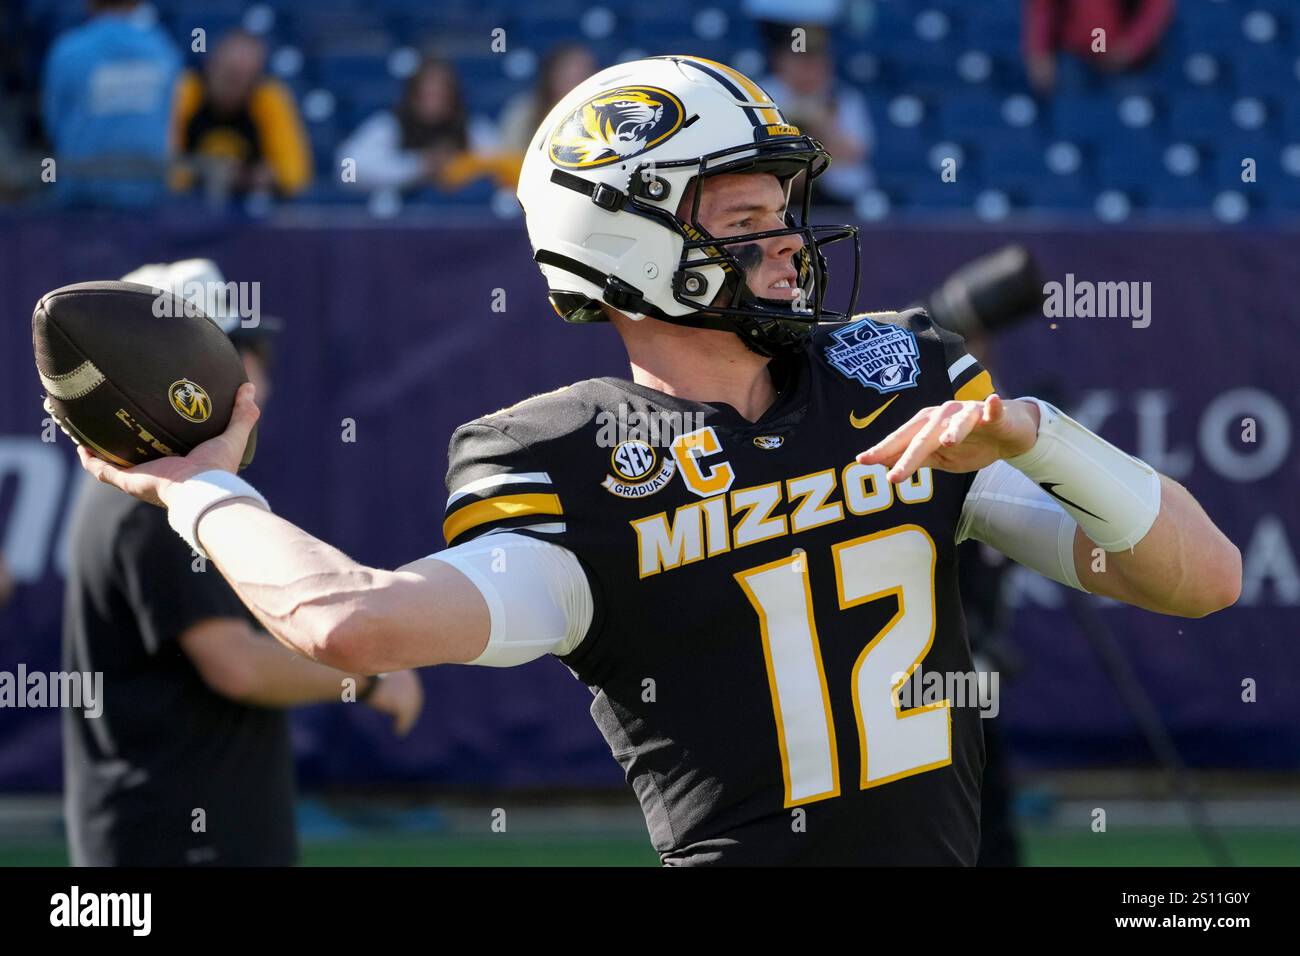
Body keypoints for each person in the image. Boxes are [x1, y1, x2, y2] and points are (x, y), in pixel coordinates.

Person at [78, 57, 1241, 866]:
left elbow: (1202, 577)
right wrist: (196, 489)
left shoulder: (898, 383)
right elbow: (350, 625)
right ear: (628, 239)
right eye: (742, 217)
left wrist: (1042, 434)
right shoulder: (570, 461)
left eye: (784, 205)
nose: (787, 239)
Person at [63, 259, 423, 866]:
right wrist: (368, 678)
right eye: (238, 352)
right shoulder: (152, 507)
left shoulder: (147, 491)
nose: (257, 379)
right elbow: (234, 665)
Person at [41, 0, 181, 207]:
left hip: (83, 199)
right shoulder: (163, 49)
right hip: (144, 200)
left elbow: (53, 123)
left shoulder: (68, 50)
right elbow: (169, 123)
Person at [337, 55, 512, 192]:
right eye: (427, 94)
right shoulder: (389, 126)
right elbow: (348, 169)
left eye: (441, 94)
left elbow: (503, 166)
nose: (434, 102)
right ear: (413, 96)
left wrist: (457, 167)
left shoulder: (472, 128)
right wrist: (420, 165)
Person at [172, 29, 312, 199]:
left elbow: (294, 176)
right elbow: (166, 169)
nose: (233, 85)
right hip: (186, 209)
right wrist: (208, 172)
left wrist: (254, 178)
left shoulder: (267, 98)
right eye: (229, 74)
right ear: (210, 64)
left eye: (244, 78)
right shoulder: (186, 91)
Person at [757, 23, 873, 204]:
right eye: (799, 62)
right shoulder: (762, 94)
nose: (807, 70)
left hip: (836, 198)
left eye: (813, 62)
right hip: (776, 192)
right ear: (780, 61)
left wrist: (821, 124)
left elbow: (854, 151)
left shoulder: (843, 96)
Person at [1024, 0, 1176, 95]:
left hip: (1129, 63)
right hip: (1075, 57)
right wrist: (1039, 52)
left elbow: (1156, 7)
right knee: (1075, 121)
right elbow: (1043, 8)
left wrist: (1131, 46)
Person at [497, 43, 597, 155]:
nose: (576, 86)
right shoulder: (523, 112)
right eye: (569, 77)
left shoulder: (603, 114)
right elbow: (510, 159)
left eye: (583, 77)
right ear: (551, 77)